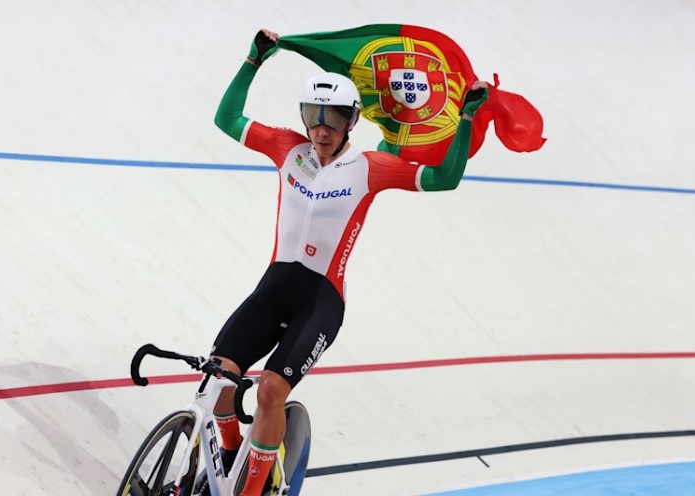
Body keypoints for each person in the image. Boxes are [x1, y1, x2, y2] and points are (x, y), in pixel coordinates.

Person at [203, 29, 489, 495]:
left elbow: (442, 179)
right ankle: (233, 449)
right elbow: (226, 118)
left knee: (272, 390)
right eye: (313, 115)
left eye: (333, 116)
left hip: (320, 301)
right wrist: (254, 61)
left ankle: (253, 490)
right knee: (218, 381)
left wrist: (466, 121)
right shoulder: (287, 149)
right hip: (273, 289)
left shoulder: (371, 167)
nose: (322, 126)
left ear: (351, 121)